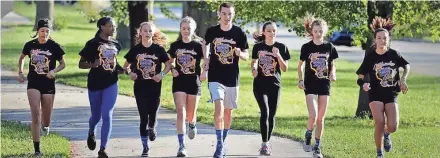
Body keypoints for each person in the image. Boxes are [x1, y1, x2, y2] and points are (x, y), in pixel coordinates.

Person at [356, 17, 410, 158]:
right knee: (379, 122)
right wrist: (364, 84)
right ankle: (379, 152)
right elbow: (360, 76)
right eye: (379, 38)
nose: (382, 40)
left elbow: (406, 65)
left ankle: (387, 134)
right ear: (375, 40)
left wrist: (403, 79)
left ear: (388, 39)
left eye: (385, 38)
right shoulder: (370, 57)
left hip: (391, 93)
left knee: (393, 126)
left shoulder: (394, 54)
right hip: (375, 94)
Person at [202, 2, 249, 157]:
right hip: (215, 77)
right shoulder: (212, 31)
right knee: (219, 108)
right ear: (219, 14)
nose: (227, 17)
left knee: (228, 112)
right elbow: (205, 44)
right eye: (224, 13)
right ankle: (219, 145)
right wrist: (206, 59)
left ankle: (223, 140)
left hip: (232, 77)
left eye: (229, 14)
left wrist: (239, 54)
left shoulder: (239, 33)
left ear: (233, 15)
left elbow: (247, 56)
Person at [17, 19, 66, 157]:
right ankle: (37, 150)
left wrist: (54, 71)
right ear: (37, 31)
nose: (44, 33)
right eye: (42, 30)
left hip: (48, 83)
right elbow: (21, 58)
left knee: (46, 119)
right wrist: (20, 72)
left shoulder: (54, 46)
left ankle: (45, 126)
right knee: (35, 115)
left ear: (50, 32)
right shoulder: (30, 45)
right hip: (33, 82)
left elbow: (63, 64)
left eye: (47, 31)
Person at [123, 21, 172, 157]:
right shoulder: (135, 50)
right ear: (140, 33)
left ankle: (152, 127)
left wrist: (160, 75)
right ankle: (145, 147)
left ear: (153, 33)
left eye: (150, 31)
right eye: (145, 30)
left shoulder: (159, 50)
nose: (147, 33)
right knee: (143, 116)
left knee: (153, 112)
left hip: (155, 87)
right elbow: (125, 67)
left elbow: (168, 66)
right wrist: (130, 73)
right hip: (140, 87)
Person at [78, 16, 124, 158]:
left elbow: (114, 62)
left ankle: (103, 149)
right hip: (95, 83)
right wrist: (93, 64)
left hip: (111, 83)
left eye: (114, 26)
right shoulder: (92, 44)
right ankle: (91, 130)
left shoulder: (116, 44)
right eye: (110, 26)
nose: (113, 28)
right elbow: (81, 64)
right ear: (102, 27)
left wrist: (123, 69)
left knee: (107, 115)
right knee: (96, 116)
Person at [297, 15, 338, 158]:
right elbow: (300, 65)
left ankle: (317, 147)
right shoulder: (306, 47)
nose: (318, 33)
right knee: (313, 116)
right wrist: (300, 79)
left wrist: (333, 73)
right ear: (311, 32)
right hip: (310, 84)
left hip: (324, 85)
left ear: (324, 31)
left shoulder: (329, 47)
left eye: (321, 31)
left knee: (321, 119)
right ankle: (308, 134)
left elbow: (332, 64)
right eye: (316, 31)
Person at [251, 21, 290, 156]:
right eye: (269, 30)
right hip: (260, 84)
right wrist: (254, 69)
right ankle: (265, 144)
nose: (271, 33)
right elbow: (254, 62)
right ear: (264, 32)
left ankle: (267, 141)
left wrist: (278, 55)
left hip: (275, 85)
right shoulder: (258, 47)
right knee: (265, 112)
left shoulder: (282, 47)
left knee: (272, 115)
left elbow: (285, 68)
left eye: (274, 30)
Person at [168, 16, 204, 157]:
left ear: (193, 29)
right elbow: (169, 62)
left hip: (194, 82)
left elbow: (208, 60)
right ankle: (181, 146)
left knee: (190, 115)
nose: (186, 31)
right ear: (180, 29)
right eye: (183, 28)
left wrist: (205, 72)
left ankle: (192, 124)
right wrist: (172, 69)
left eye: (189, 28)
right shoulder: (175, 46)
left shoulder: (198, 45)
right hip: (179, 82)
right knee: (180, 113)